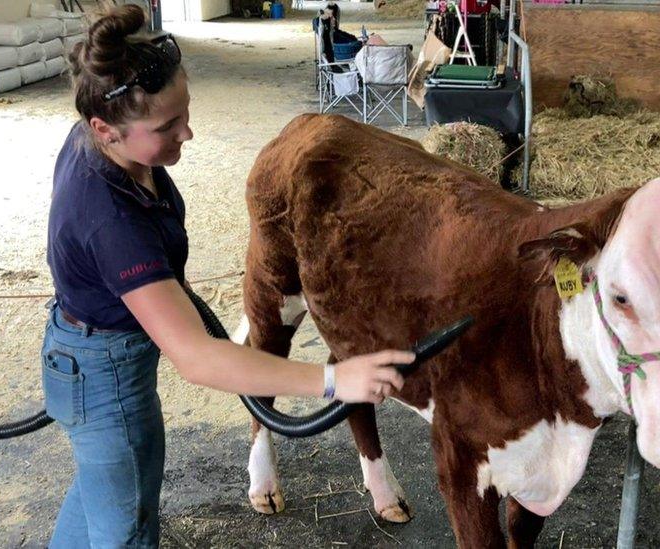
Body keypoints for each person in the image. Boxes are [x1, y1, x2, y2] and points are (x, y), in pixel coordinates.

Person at [42, 5, 412, 547]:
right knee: (127, 527)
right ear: (106, 130)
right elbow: (196, 359)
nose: (186, 132)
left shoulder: (103, 143)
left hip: (100, 352)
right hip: (102, 374)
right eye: (166, 126)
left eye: (185, 112)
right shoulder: (111, 219)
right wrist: (335, 380)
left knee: (106, 493)